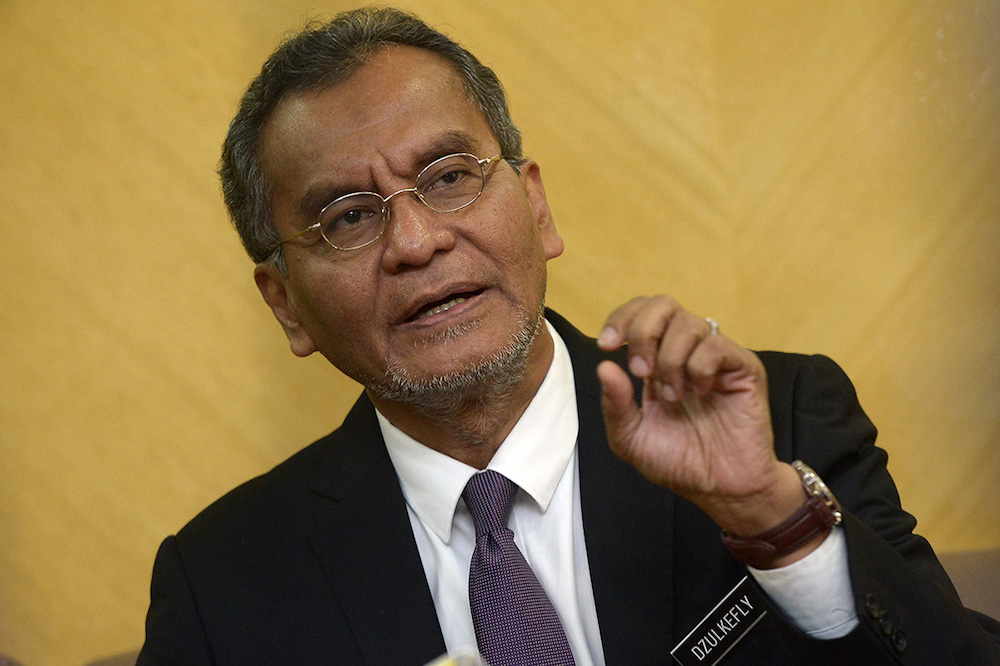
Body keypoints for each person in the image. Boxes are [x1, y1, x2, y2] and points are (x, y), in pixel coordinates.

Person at [138, 7, 1000, 665]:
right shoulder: (222, 586)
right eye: (349, 217)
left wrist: (770, 520)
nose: (418, 242)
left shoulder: (784, 421)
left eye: (447, 177)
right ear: (286, 305)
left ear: (537, 205)